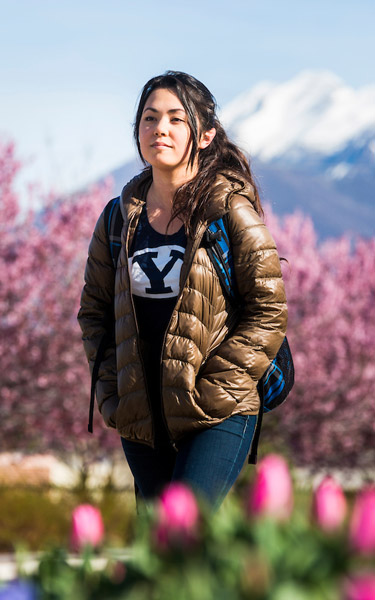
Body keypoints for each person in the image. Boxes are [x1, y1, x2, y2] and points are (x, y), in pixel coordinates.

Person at [77, 71, 287, 509]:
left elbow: (268, 309)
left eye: (176, 119)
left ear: (206, 134)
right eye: (150, 119)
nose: (161, 129)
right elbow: (94, 312)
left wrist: (220, 386)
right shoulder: (117, 218)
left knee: (185, 534)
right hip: (144, 413)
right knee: (157, 556)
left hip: (219, 409)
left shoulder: (229, 211)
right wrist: (115, 391)